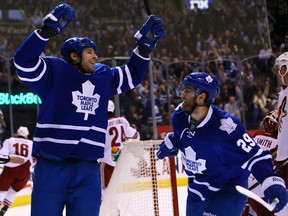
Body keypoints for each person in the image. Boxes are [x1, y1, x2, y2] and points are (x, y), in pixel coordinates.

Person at [13, 3, 165, 216]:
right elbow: (23, 62)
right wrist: (45, 32)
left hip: (87, 169)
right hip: (51, 167)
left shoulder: (103, 76)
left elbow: (131, 75)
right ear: (74, 56)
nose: (95, 56)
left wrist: (144, 47)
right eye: (89, 52)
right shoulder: (54, 72)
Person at [156, 72, 288, 216]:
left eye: (187, 91)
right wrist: (172, 141)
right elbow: (185, 137)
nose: (182, 95)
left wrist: (270, 180)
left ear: (201, 97)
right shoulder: (179, 115)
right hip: (197, 190)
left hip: (228, 188)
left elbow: (254, 156)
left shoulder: (226, 128)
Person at [242, 110, 284, 216]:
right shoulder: (280, 140)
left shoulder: (257, 134)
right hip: (262, 182)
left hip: (245, 177)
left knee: (248, 208)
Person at [99, 100, 140, 189]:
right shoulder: (122, 120)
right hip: (120, 161)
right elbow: (136, 135)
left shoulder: (101, 124)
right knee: (113, 190)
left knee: (103, 190)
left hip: (107, 161)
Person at [0, 126, 33, 216]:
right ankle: (5, 208)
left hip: (10, 169)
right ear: (27, 135)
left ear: (17, 134)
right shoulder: (31, 143)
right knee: (13, 191)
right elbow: (35, 159)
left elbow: (2, 155)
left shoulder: (9, 140)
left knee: (2, 190)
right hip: (25, 171)